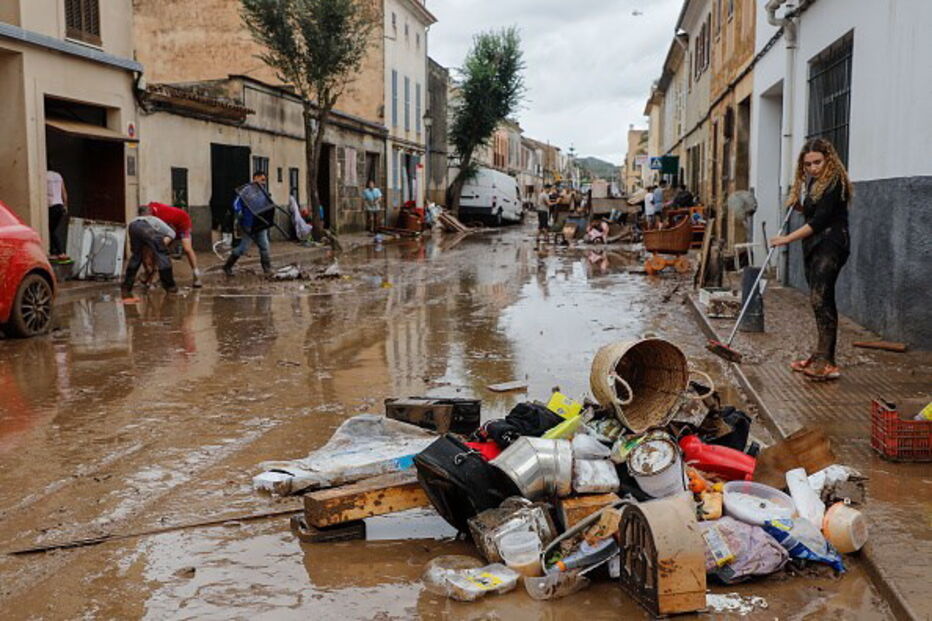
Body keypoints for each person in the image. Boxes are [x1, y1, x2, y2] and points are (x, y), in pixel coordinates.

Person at [770, 138, 853, 381]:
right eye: (808, 164)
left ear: (828, 160)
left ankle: (828, 362)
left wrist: (786, 239)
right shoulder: (816, 182)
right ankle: (820, 355)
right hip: (815, 246)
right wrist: (798, 206)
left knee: (821, 298)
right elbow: (813, 213)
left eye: (817, 162)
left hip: (831, 245)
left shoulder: (834, 182)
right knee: (818, 300)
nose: (813, 168)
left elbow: (818, 222)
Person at [223, 171, 274, 277]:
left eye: (265, 180)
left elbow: (268, 204)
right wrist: (239, 212)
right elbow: (236, 203)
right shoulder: (246, 190)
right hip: (249, 224)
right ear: (255, 178)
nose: (264, 182)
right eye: (262, 180)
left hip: (260, 223)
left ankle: (267, 268)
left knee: (264, 246)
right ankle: (228, 266)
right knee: (243, 248)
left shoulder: (263, 191)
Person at [121, 205, 178, 297]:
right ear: (150, 213)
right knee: (162, 254)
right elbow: (172, 233)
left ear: (139, 213)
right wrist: (161, 246)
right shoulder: (152, 219)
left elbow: (142, 244)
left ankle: (127, 286)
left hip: (132, 228)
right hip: (146, 228)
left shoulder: (134, 221)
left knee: (136, 256)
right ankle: (170, 286)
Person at [148, 201, 202, 288]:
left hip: (183, 223)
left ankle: (196, 274)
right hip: (170, 226)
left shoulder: (159, 217)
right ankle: (159, 275)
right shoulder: (151, 212)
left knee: (187, 248)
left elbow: (169, 232)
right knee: (159, 249)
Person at [46, 169, 70, 262]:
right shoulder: (58, 176)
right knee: (53, 229)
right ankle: (55, 252)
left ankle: (59, 252)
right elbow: (64, 192)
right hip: (60, 205)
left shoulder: (44, 176)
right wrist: (65, 206)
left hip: (51, 206)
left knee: (51, 230)